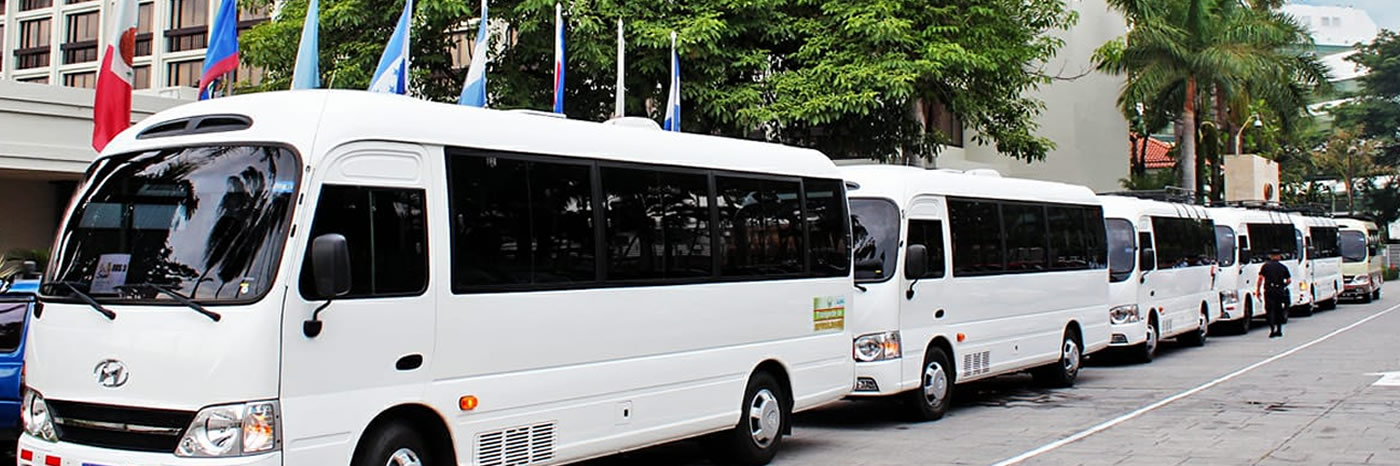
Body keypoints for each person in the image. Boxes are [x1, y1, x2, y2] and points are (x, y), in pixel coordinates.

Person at [1257, 249, 1292, 338]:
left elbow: (1260, 279)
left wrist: (1258, 290)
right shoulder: (1283, 267)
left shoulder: (1265, 266)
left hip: (1269, 290)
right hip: (1279, 290)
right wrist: (1283, 285)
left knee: (1270, 310)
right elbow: (1289, 280)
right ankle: (1279, 330)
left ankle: (1272, 329)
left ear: (1271, 256)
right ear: (1279, 256)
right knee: (1279, 310)